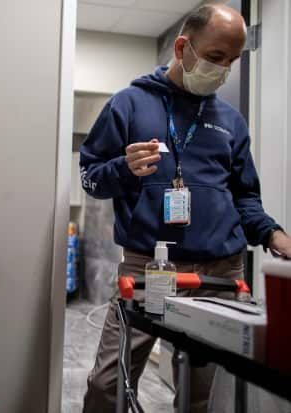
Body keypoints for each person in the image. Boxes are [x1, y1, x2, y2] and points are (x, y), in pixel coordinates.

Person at [79, 4, 291, 412]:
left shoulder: (231, 121)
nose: (224, 70)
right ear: (183, 47)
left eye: (232, 61)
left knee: (202, 397)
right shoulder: (128, 104)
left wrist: (272, 234)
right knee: (108, 386)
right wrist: (123, 169)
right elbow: (91, 177)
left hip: (220, 272)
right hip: (149, 267)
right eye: (215, 57)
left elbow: (245, 196)